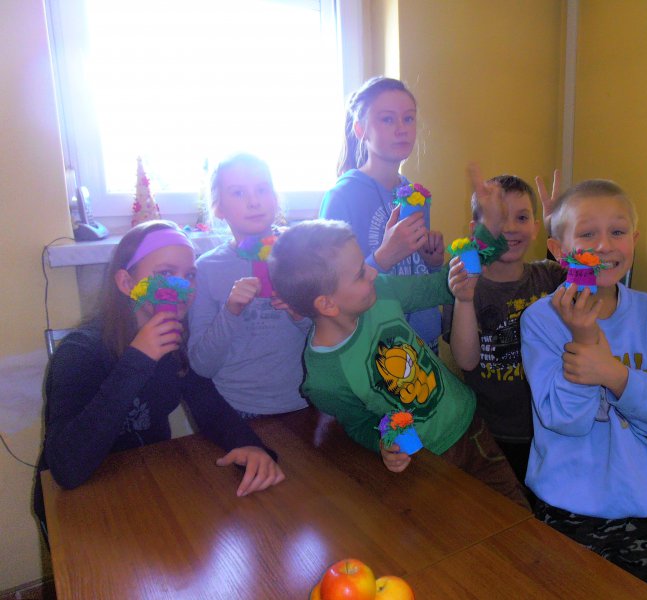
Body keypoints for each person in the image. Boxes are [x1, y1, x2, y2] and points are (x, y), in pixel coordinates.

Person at [269, 185, 529, 509]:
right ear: (327, 304)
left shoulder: (381, 290)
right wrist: (384, 444)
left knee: (518, 516)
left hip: (472, 426)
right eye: (360, 273)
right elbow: (359, 424)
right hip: (427, 464)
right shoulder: (324, 379)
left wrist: (489, 231)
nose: (372, 271)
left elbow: (441, 286)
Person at [34, 220, 283, 536]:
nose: (182, 286)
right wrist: (138, 359)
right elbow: (67, 469)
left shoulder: (174, 337)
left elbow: (209, 406)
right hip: (78, 504)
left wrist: (251, 446)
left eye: (189, 275)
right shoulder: (81, 351)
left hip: (144, 485)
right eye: (165, 273)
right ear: (126, 282)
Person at [520, 180, 647, 599]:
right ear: (559, 249)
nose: (604, 245)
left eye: (618, 232)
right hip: (571, 513)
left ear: (634, 240)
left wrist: (615, 376)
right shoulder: (540, 321)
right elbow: (565, 420)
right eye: (587, 233)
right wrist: (584, 337)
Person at [443, 174, 565, 486]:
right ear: (475, 230)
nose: (510, 227)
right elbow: (467, 361)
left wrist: (561, 230)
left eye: (521, 218)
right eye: (498, 218)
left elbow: (593, 287)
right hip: (492, 433)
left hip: (549, 428)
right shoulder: (465, 287)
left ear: (535, 227)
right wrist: (464, 299)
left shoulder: (551, 276)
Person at [319, 76, 445, 353]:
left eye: (408, 119)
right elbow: (330, 292)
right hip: (375, 345)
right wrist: (385, 255)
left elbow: (416, 272)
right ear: (360, 129)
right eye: (387, 119)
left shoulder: (416, 195)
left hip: (423, 341)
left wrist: (432, 262)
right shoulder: (342, 197)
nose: (402, 129)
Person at [188, 153, 310, 418]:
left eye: (262, 189)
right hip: (235, 409)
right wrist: (230, 310)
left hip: (307, 402)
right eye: (238, 192)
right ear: (218, 208)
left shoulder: (303, 256)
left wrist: (299, 314)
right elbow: (201, 365)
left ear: (275, 198)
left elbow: (336, 338)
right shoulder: (207, 269)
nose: (254, 201)